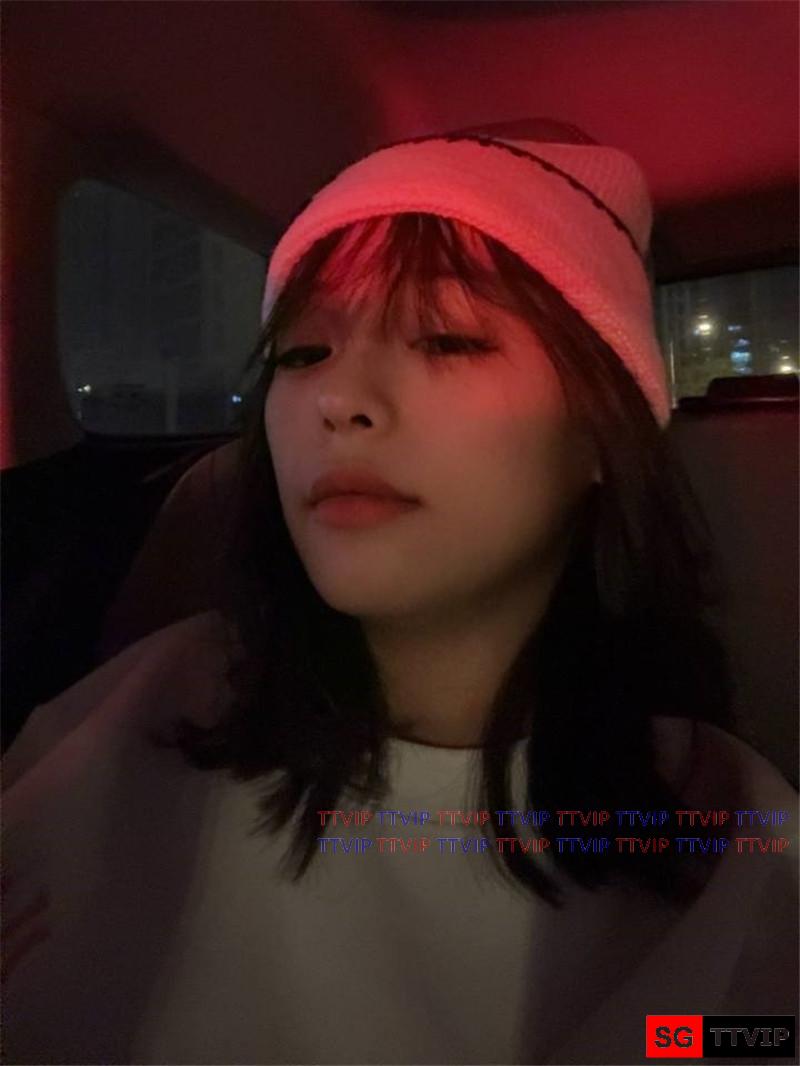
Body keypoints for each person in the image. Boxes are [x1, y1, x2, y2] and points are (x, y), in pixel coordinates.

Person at [1, 120, 797, 1066]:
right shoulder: (150, 699)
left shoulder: (732, 842)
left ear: (599, 431)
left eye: (447, 337)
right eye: (303, 353)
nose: (339, 399)